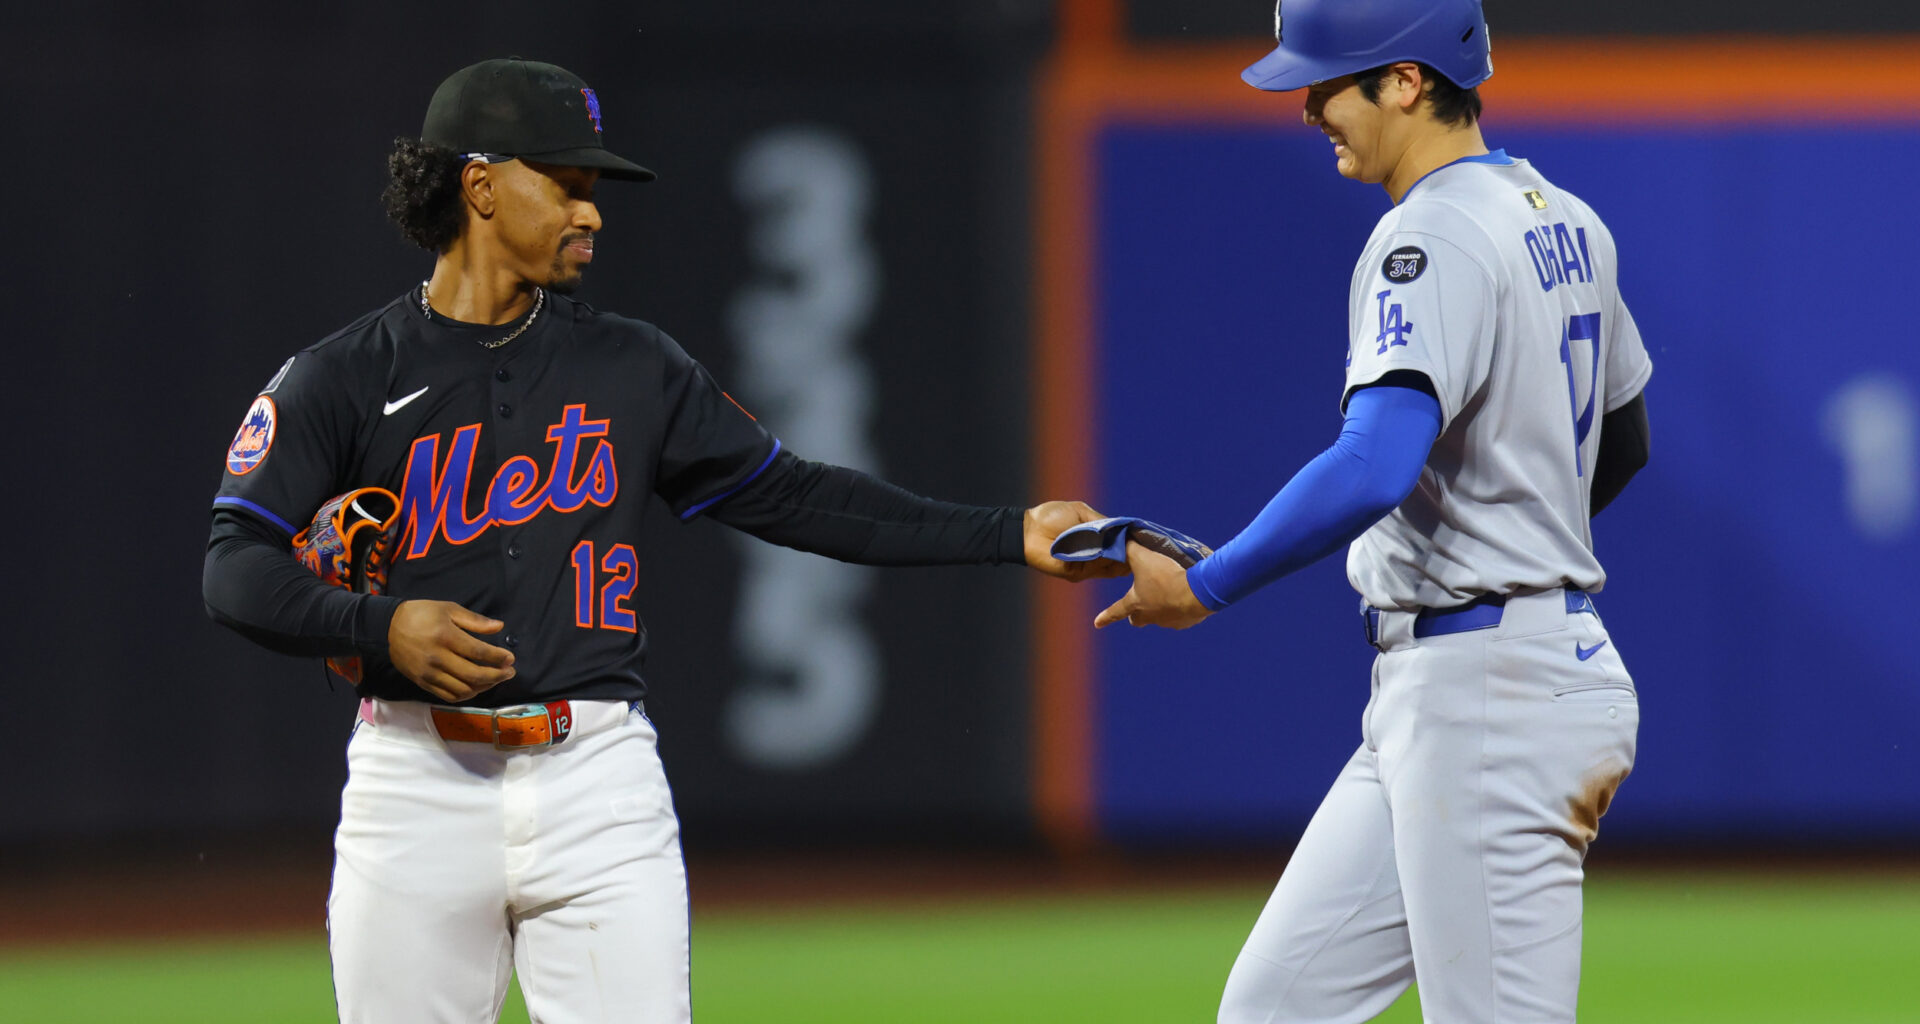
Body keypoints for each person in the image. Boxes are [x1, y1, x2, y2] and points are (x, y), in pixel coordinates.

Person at [203, 57, 1113, 1024]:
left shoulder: (631, 365)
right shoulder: (340, 377)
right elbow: (234, 567)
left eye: (593, 191)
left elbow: (795, 497)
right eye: (566, 185)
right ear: (478, 185)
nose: (591, 212)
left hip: (596, 786)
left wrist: (1008, 532)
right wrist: (376, 626)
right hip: (415, 783)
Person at [1094, 2, 1653, 1021]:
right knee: (1274, 1007)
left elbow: (1372, 466)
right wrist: (1524, 532)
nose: (1308, 106)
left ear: (1405, 81)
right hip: (1478, 677)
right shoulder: (1564, 216)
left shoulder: (1429, 233)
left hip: (1490, 692)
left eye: (1327, 83)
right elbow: (1625, 442)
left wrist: (1208, 583)